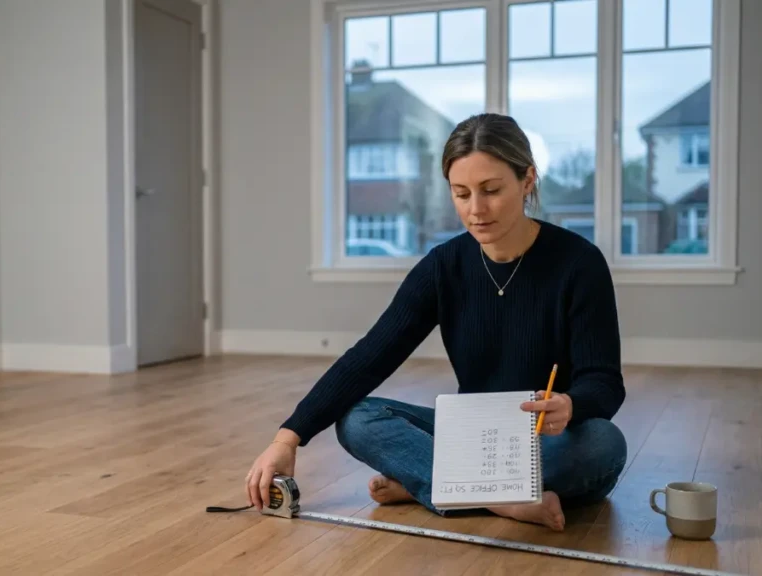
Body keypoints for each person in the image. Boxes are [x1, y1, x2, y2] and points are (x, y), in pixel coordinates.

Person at [244, 113, 628, 531]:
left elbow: (604, 382)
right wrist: (287, 438)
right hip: (471, 437)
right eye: (461, 194)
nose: (475, 209)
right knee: (358, 418)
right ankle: (500, 498)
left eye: (491, 190)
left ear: (527, 180)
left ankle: (435, 484)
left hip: (546, 438)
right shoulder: (443, 267)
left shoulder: (579, 263)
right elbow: (370, 356)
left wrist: (571, 405)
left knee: (603, 444)